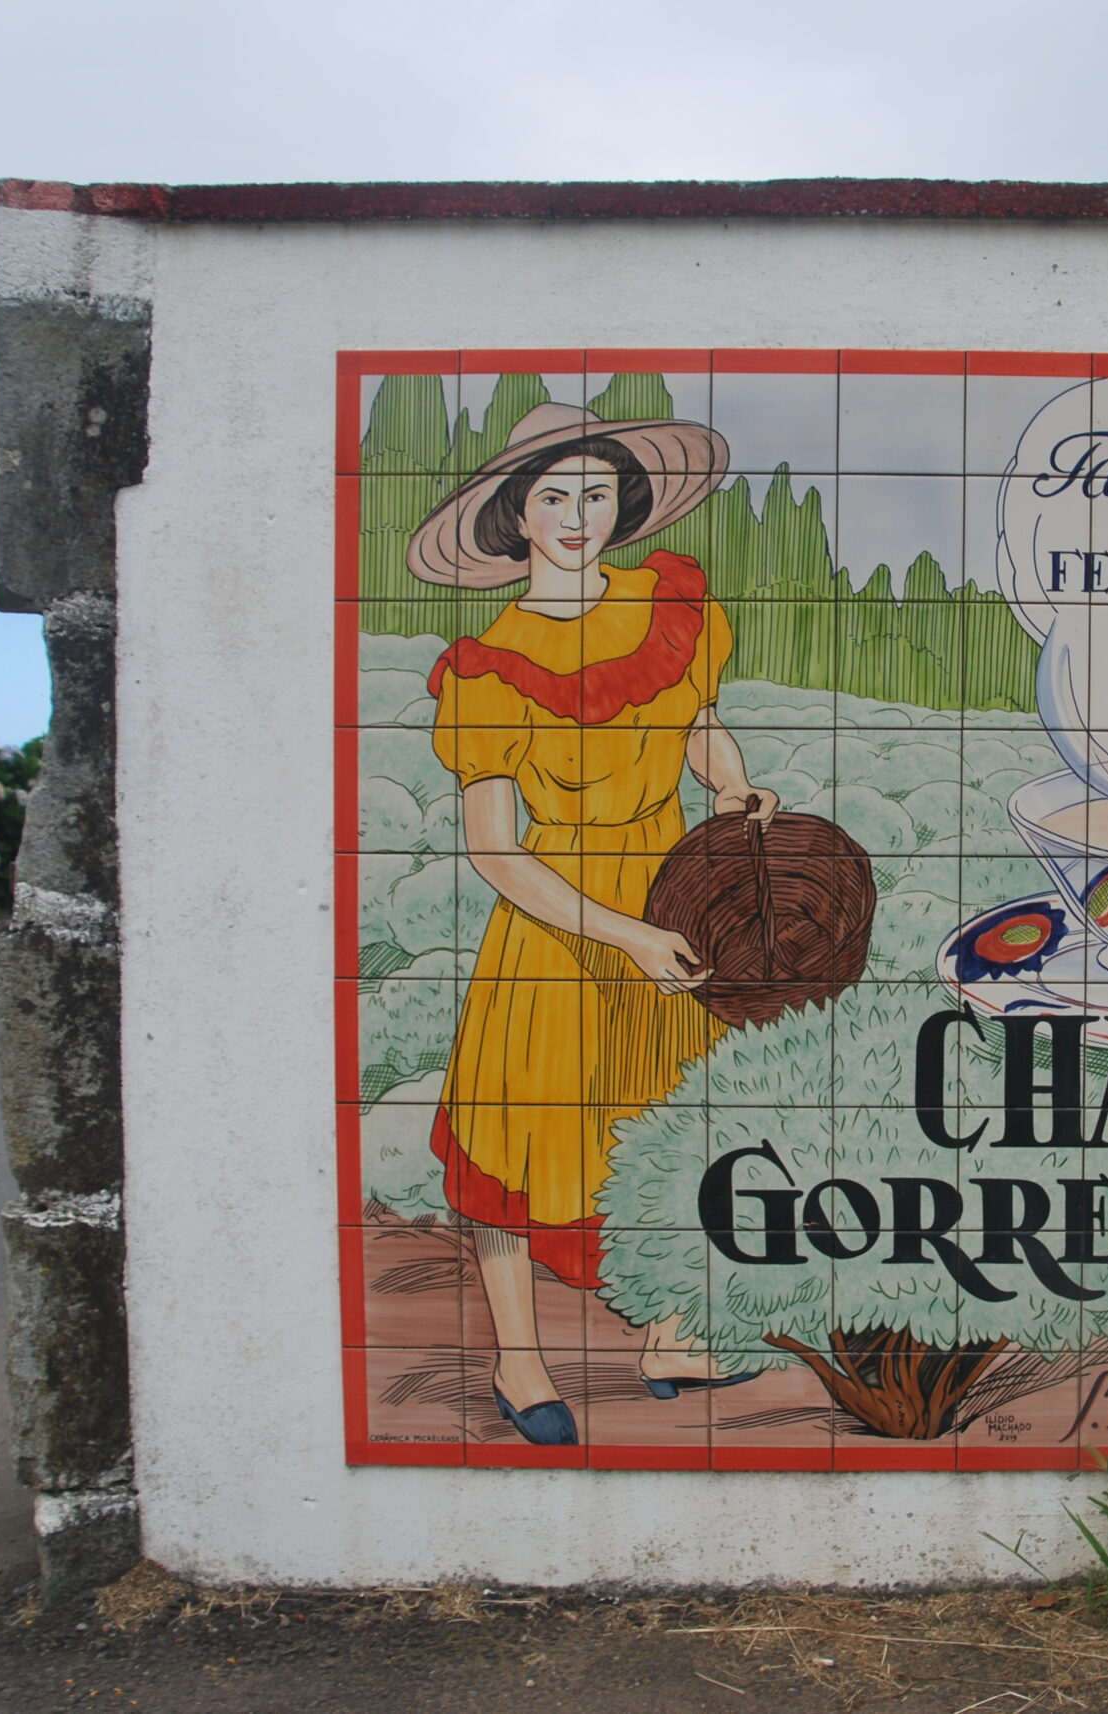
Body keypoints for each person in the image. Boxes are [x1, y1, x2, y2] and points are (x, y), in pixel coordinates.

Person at [411, 401, 777, 1446]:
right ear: (515, 517)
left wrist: (733, 786)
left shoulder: (667, 607)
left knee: (664, 1121)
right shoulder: (488, 666)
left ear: (626, 505)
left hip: (673, 901)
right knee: (524, 1133)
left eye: (597, 494)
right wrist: (620, 933)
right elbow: (494, 849)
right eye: (554, 497)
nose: (578, 515)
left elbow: (695, 719)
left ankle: (667, 1331)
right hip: (558, 925)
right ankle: (520, 1362)